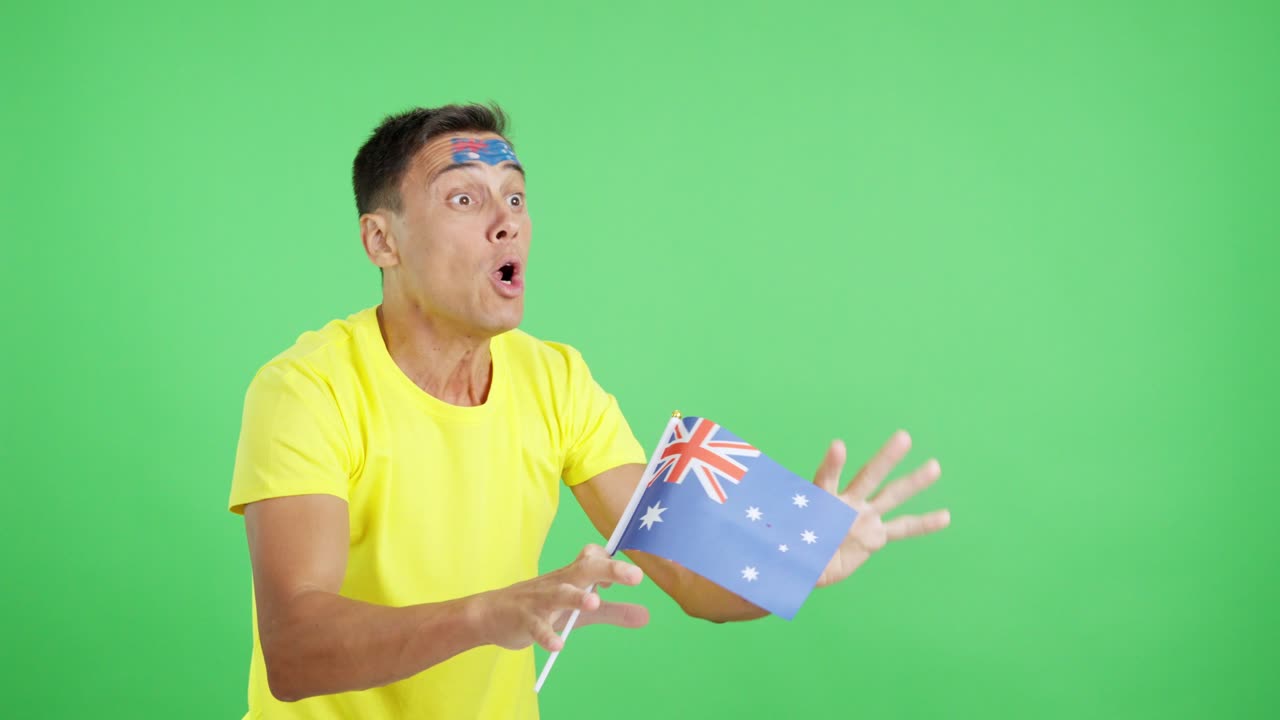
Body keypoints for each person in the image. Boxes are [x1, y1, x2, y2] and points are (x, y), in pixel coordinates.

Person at [228, 103, 951, 719]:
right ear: (381, 241)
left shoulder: (556, 379)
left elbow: (691, 581)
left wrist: (794, 554)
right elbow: (295, 647)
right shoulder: (306, 389)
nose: (506, 222)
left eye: (514, 196)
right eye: (463, 199)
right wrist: (488, 613)